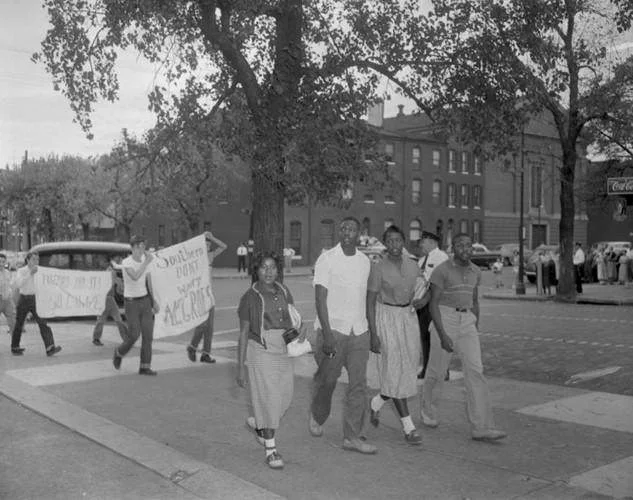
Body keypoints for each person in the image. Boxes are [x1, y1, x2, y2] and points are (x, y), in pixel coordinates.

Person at [420, 233, 506, 442]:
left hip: (467, 320)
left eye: (469, 245)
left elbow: (475, 301)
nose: (466, 249)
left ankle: (481, 426)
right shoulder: (442, 270)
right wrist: (442, 334)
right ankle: (428, 411)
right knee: (436, 372)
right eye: (461, 245)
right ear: (453, 248)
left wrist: (474, 325)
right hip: (445, 318)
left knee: (476, 371)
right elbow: (433, 303)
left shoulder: (476, 271)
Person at [309, 216, 377, 455]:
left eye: (352, 228)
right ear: (339, 232)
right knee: (327, 381)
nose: (347, 231)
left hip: (358, 332)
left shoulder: (365, 262)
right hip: (333, 331)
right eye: (344, 227)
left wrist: (371, 331)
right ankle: (318, 414)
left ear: (360, 234)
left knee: (358, 385)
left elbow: (367, 298)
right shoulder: (326, 259)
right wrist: (327, 335)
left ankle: (352, 436)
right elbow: (320, 299)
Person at [236, 251, 303, 470]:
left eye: (273, 267)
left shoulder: (284, 290)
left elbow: (291, 322)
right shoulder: (250, 296)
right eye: (264, 267)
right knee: (270, 398)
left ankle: (260, 424)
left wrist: (298, 336)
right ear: (256, 270)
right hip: (260, 350)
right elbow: (244, 333)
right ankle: (271, 449)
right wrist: (240, 367)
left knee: (285, 396)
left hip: (282, 348)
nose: (268, 271)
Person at [366, 225, 423, 445]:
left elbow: (422, 293)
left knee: (406, 370)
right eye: (389, 241)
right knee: (395, 369)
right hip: (386, 319)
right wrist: (373, 334)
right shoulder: (378, 268)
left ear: (404, 241)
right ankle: (409, 428)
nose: (394, 245)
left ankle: (377, 402)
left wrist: (421, 301)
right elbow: (370, 302)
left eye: (398, 240)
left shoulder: (413, 266)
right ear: (384, 243)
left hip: (408, 319)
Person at [112, 235, 159, 375]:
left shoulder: (146, 261)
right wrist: (146, 262)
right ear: (132, 248)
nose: (141, 249)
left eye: (143, 246)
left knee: (148, 335)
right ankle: (119, 352)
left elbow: (148, 282)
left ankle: (145, 366)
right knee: (134, 334)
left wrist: (153, 301)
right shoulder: (126, 262)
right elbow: (135, 276)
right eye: (138, 247)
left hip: (144, 301)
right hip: (131, 302)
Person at [10, 252, 62, 357]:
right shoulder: (21, 271)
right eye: (33, 259)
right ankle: (15, 347)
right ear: (28, 260)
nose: (36, 262)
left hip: (36, 299)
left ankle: (50, 347)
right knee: (19, 323)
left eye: (37, 259)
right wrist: (30, 273)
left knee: (43, 322)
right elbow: (18, 284)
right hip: (24, 298)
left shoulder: (41, 271)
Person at [187, 231, 227, 363]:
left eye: (209, 244)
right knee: (202, 324)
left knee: (210, 326)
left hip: (209, 294)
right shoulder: (195, 258)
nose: (208, 246)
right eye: (205, 244)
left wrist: (212, 237)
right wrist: (200, 237)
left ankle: (205, 354)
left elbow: (224, 246)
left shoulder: (211, 256)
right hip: (199, 295)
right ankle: (192, 346)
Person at [416, 231, 449, 379]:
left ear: (431, 241)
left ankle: (444, 370)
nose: (421, 244)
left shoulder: (441, 257)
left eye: (423, 241)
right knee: (424, 336)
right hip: (421, 302)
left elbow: (440, 281)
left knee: (437, 336)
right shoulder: (422, 259)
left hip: (435, 302)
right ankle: (427, 367)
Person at [92, 256, 128, 346]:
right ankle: (126, 338)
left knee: (103, 319)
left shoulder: (109, 272)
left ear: (106, 262)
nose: (100, 263)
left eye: (101, 261)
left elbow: (112, 283)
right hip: (107, 298)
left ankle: (96, 338)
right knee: (116, 319)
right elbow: (115, 284)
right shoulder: (109, 271)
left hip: (108, 298)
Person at [0, 253, 16, 335]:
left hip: (8, 301)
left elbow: (10, 284)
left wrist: (10, 294)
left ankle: (15, 345)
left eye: (3, 262)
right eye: (0, 261)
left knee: (13, 322)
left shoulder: (7, 272)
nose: (1, 264)